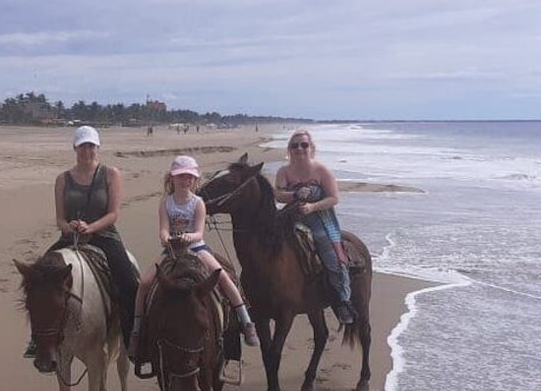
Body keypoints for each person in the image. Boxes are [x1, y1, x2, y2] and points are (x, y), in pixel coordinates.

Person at [127, 155, 259, 359]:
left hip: (197, 249)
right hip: (172, 251)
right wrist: (167, 239)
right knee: (145, 283)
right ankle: (137, 330)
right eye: (181, 176)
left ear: (194, 180)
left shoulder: (197, 203)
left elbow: (199, 232)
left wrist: (189, 237)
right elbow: (162, 230)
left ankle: (245, 320)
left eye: (189, 177)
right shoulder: (166, 203)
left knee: (223, 276)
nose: (185, 180)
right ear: (172, 178)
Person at [24, 125, 138, 357]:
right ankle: (37, 340)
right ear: (75, 148)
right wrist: (70, 227)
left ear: (98, 148)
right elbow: (60, 219)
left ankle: (131, 336)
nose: (87, 151)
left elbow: (114, 213)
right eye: (82, 146)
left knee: (129, 283)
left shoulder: (110, 174)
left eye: (91, 146)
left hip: (104, 236)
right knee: (38, 279)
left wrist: (91, 227)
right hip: (70, 237)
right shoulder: (63, 179)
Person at [274, 129, 354, 324]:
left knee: (331, 255)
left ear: (311, 148)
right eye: (295, 145)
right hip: (291, 217)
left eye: (304, 145)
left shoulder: (321, 171)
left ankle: (342, 300)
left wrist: (312, 206)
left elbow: (334, 198)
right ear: (289, 149)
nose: (299, 149)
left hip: (319, 219)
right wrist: (293, 195)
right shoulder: (284, 171)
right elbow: (278, 194)